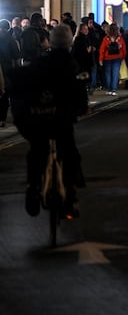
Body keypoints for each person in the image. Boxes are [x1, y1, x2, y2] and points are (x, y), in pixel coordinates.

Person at [11, 23, 88, 218]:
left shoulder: (40, 63)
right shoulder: (71, 65)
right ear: (69, 42)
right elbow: (78, 91)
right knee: (69, 152)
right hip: (61, 118)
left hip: (37, 118)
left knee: (37, 151)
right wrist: (80, 109)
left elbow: (23, 84)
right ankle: (70, 195)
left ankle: (33, 187)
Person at [0, 18, 20, 126]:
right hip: (6, 68)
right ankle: (3, 118)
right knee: (6, 93)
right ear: (8, 28)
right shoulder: (10, 38)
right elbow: (16, 55)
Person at [98, 22, 126, 93]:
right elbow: (124, 49)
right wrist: (122, 57)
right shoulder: (120, 38)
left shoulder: (106, 39)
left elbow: (102, 49)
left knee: (108, 73)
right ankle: (114, 89)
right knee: (115, 73)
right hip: (117, 58)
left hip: (107, 58)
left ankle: (108, 88)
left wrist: (101, 59)